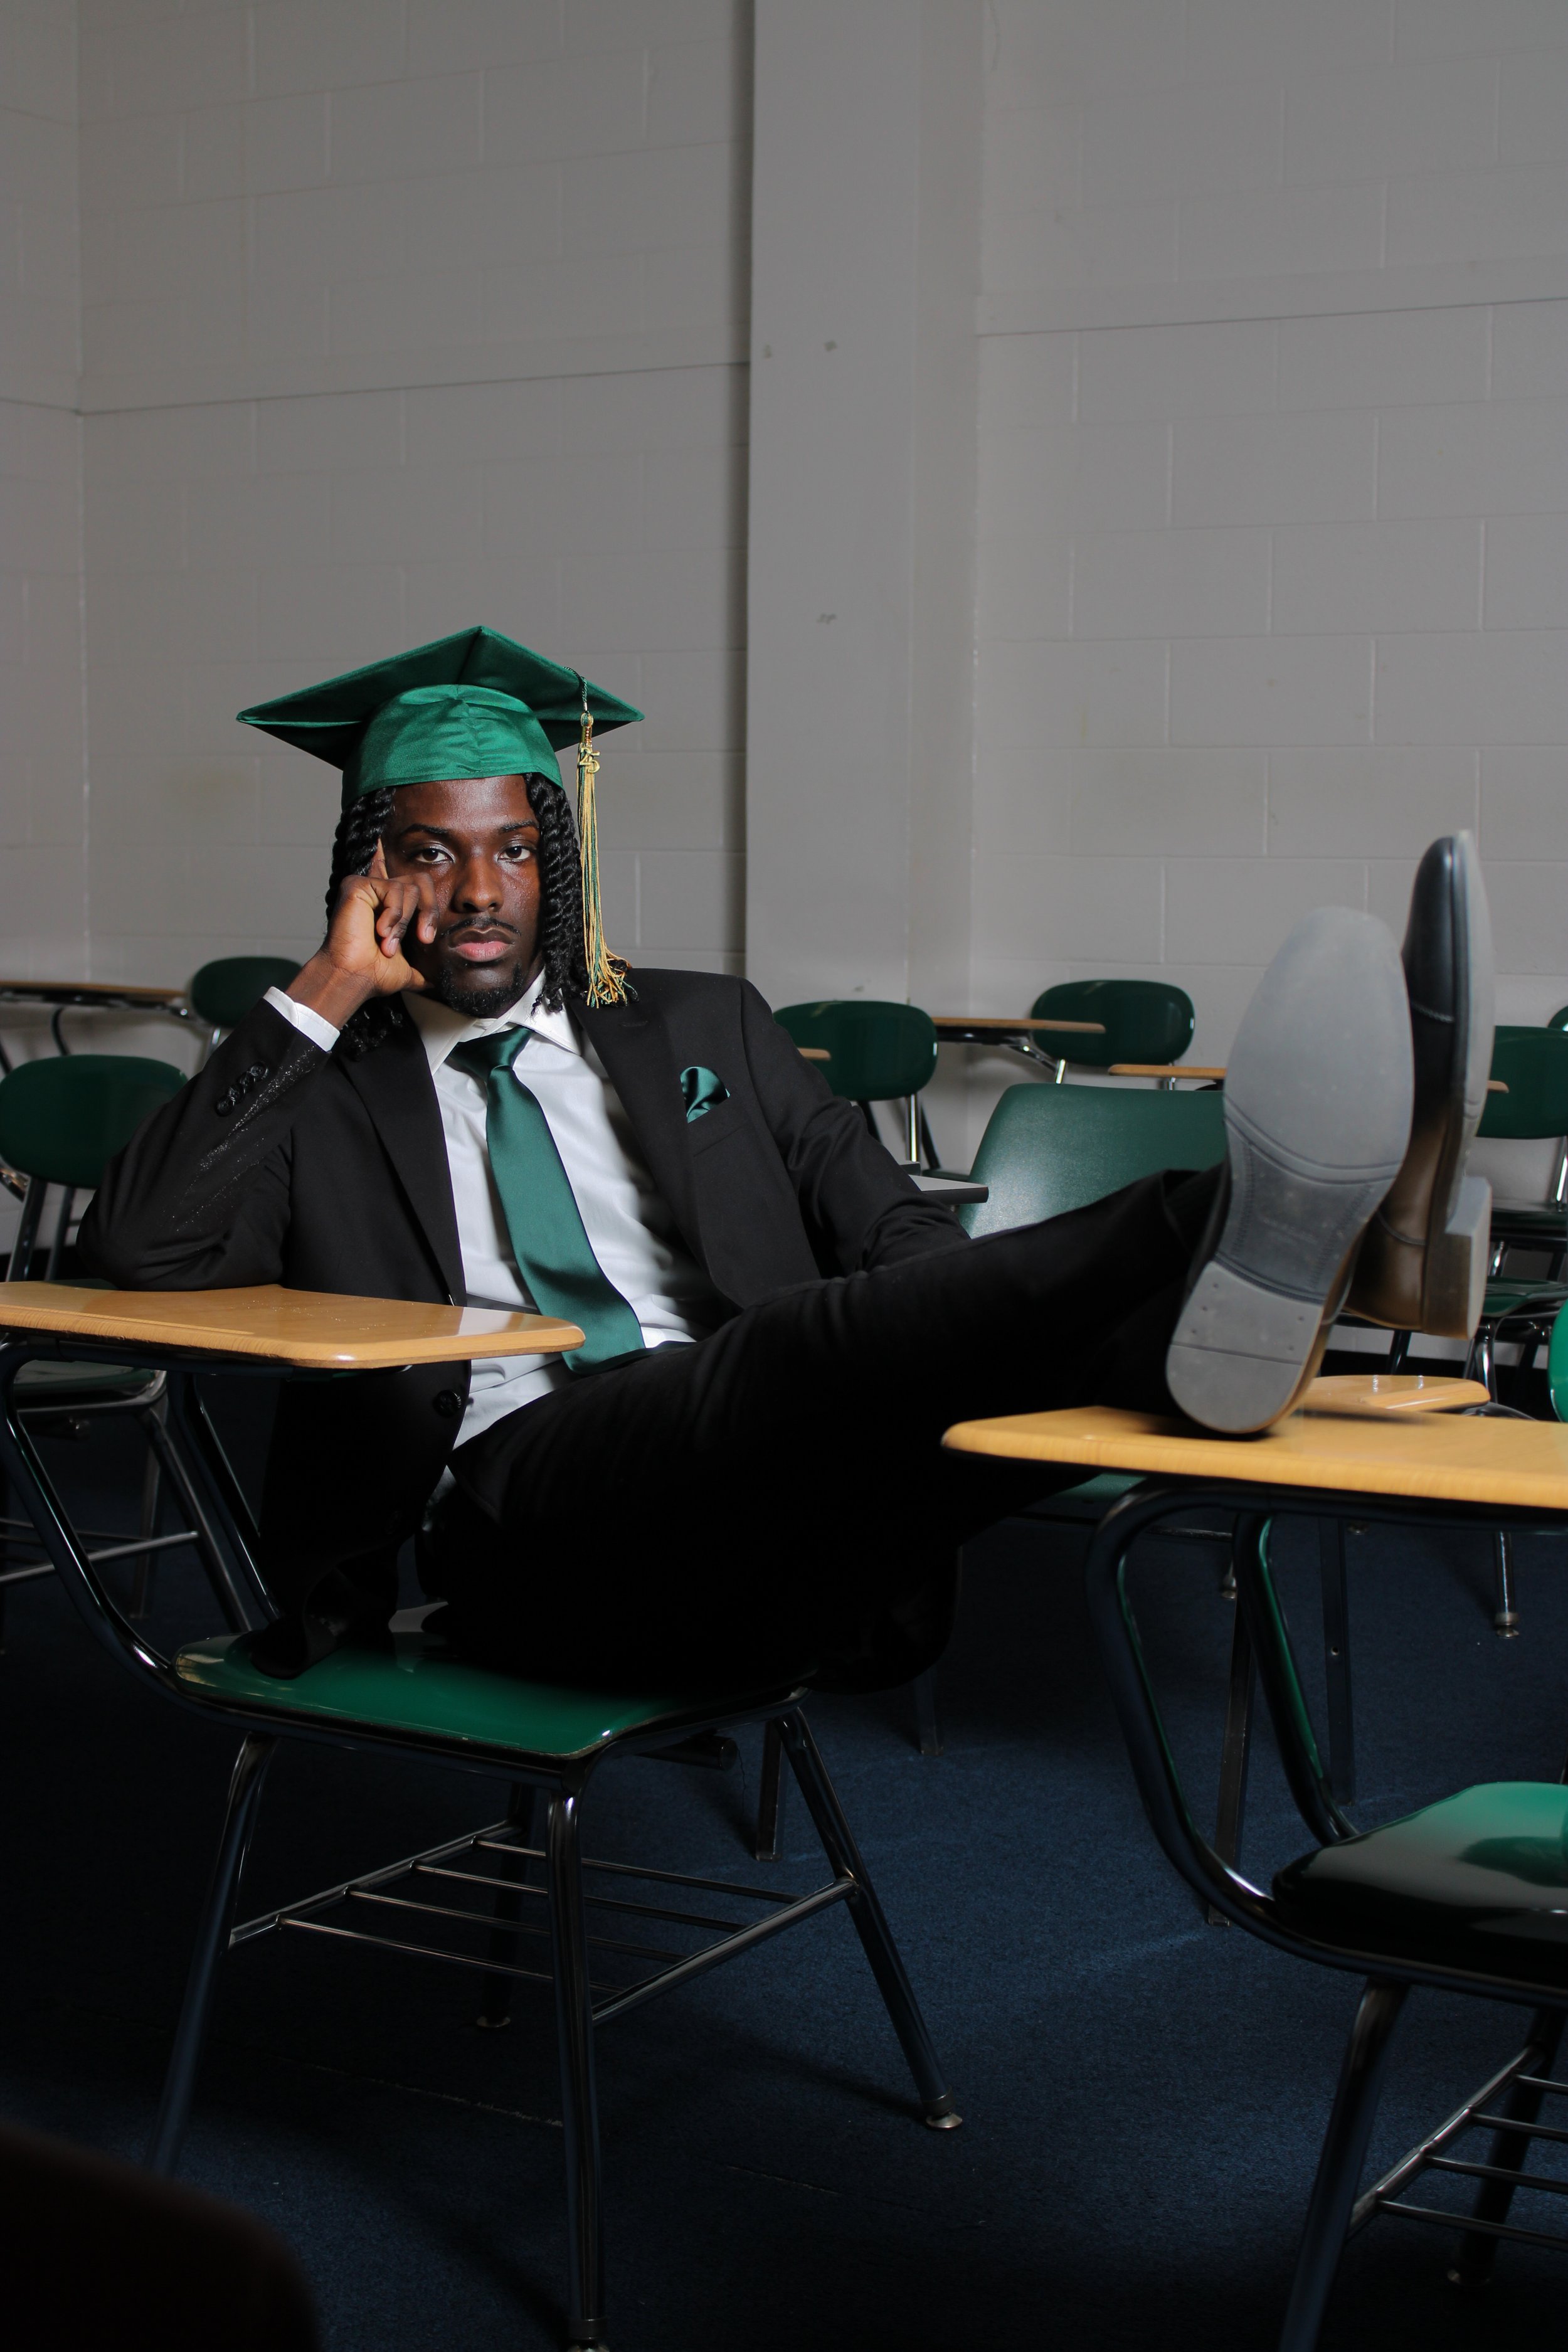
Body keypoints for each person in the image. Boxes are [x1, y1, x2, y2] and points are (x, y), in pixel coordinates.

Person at [80, 629, 1494, 1689]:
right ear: (370, 872)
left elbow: (890, 1235)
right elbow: (141, 1254)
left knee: (979, 1418)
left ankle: (1251, 1301)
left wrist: (967, 1344)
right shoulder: (319, 1090)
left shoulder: (705, 1022)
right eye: (431, 856)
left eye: (512, 849)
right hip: (527, 1520)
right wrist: (324, 991)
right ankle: (1276, 1221)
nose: (478, 891)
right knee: (795, 1355)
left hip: (765, 1530)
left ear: (552, 857)